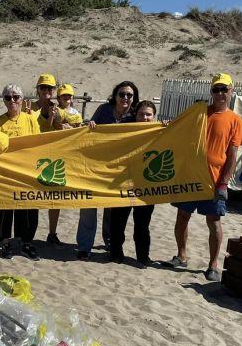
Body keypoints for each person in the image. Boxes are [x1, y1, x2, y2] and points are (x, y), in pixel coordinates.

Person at [167, 73, 242, 281]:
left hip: (214, 180)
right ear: (211, 92)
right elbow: (177, 131)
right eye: (216, 89)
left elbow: (232, 155)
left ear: (231, 91)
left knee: (214, 221)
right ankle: (182, 255)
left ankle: (213, 264)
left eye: (224, 89)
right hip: (190, 176)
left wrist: (224, 183)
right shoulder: (200, 113)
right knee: (182, 216)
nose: (220, 93)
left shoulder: (235, 120)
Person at [76, 80, 140, 260]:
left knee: (112, 208)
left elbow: (149, 126)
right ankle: (84, 246)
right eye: (122, 94)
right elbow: (88, 131)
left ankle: (110, 242)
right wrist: (90, 126)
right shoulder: (104, 110)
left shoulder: (134, 115)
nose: (125, 98)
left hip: (120, 170)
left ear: (134, 98)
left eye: (129, 95)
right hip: (95, 166)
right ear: (115, 95)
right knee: (88, 206)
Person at [0, 84, 41, 260]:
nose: (12, 101)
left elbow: (38, 143)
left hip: (26, 172)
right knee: (4, 208)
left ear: (22, 100)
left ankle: (26, 242)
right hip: (5, 173)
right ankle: (5, 242)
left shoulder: (30, 120)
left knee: (27, 208)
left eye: (16, 97)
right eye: (8, 97)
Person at [108, 100, 159, 266]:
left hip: (146, 185)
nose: (144, 117)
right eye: (141, 114)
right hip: (123, 183)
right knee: (118, 222)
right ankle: (115, 253)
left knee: (142, 224)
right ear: (135, 115)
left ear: (154, 116)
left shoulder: (161, 132)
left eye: (148, 114)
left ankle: (143, 256)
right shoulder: (125, 131)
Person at [42, 82, 85, 246]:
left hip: (70, 155)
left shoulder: (75, 112)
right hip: (56, 154)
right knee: (54, 196)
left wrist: (71, 128)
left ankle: (54, 233)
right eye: (63, 96)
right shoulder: (55, 110)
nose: (66, 98)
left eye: (69, 95)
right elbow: (52, 126)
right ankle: (52, 232)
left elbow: (78, 130)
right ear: (59, 97)